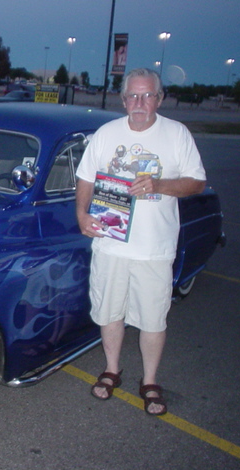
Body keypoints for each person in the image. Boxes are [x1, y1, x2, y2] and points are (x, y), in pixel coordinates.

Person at [75, 68, 206, 415]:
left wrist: (159, 185)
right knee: (109, 312)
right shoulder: (106, 134)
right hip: (109, 242)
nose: (140, 102)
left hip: (154, 249)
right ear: (123, 99)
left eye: (148, 95)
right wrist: (81, 214)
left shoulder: (177, 135)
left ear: (160, 99)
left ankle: (149, 381)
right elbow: (85, 177)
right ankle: (111, 370)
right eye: (133, 95)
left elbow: (196, 183)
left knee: (152, 320)